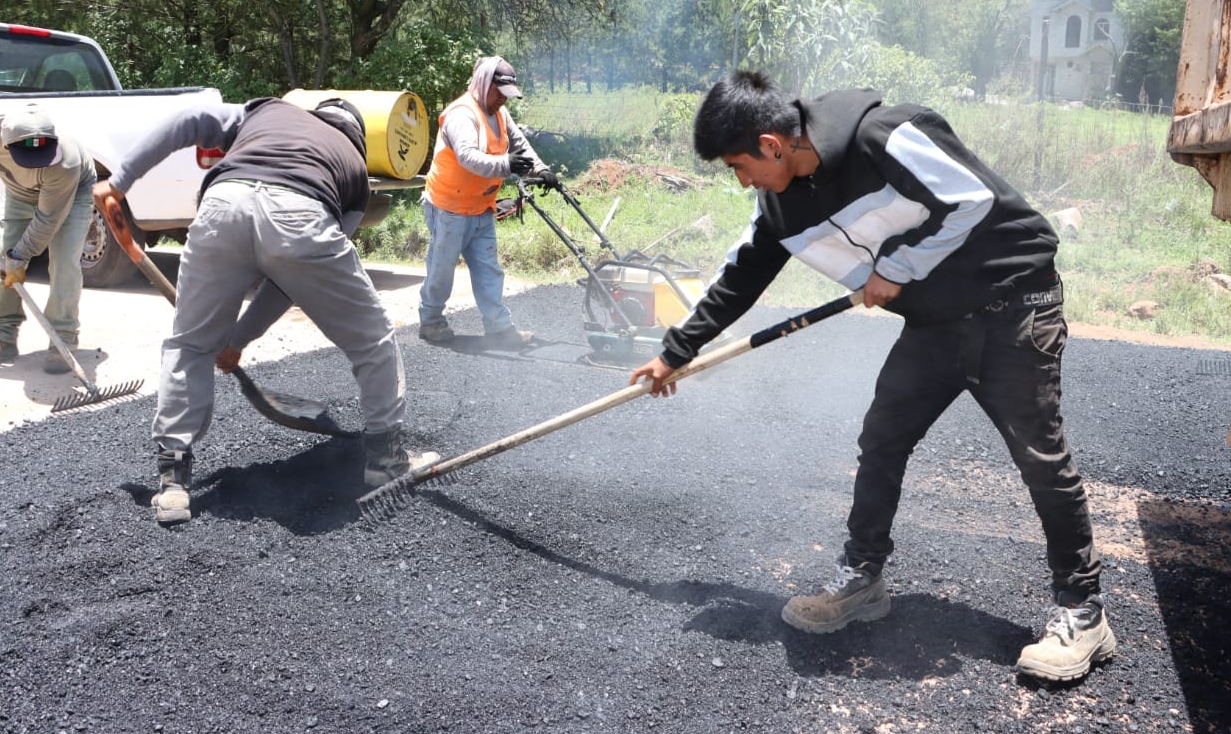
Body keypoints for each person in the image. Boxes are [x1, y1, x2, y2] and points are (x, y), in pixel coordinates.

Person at [629, 71, 1114, 682]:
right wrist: (676, 351)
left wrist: (899, 267)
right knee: (882, 440)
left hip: (1015, 307)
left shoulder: (885, 135)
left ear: (771, 144)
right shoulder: (779, 204)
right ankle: (863, 580)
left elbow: (971, 199)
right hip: (936, 325)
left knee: (1040, 459)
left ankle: (1083, 611)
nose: (743, 180)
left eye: (738, 165)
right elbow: (744, 273)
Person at [95, 97, 435, 526]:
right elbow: (288, 282)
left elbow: (190, 118)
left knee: (190, 345)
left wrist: (120, 180)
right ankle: (385, 460)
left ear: (316, 116)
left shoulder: (267, 111)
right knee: (372, 341)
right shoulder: (355, 173)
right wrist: (240, 338)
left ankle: (174, 484)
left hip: (223, 206)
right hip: (302, 215)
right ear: (358, 137)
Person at [418, 55, 556, 349]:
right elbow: (469, 158)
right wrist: (506, 165)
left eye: (507, 97)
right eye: (499, 94)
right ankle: (430, 321)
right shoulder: (461, 115)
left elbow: (520, 145)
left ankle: (499, 329)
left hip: (481, 207)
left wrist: (541, 169)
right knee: (442, 270)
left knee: (489, 270)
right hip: (449, 207)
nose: (502, 102)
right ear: (484, 84)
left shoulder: (500, 114)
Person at [0, 104, 96, 373]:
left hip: (71, 194)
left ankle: (62, 339)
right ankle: (2, 337)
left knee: (64, 263)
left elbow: (47, 220)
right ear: (5, 145)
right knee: (3, 259)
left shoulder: (67, 161)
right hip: (18, 193)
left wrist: (21, 257)